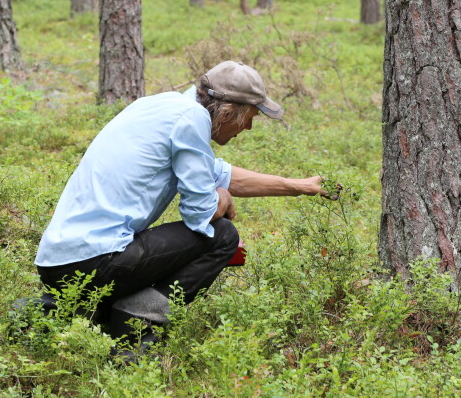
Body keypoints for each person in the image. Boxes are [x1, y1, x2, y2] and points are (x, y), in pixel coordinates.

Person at [34, 61, 323, 356]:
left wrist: (298, 186)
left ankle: (70, 312)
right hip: (97, 261)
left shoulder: (164, 107)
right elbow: (201, 214)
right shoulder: (191, 120)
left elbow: (221, 174)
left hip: (56, 262)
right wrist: (220, 198)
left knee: (200, 233)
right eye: (249, 118)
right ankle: (135, 322)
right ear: (226, 112)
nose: (247, 127)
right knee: (222, 235)